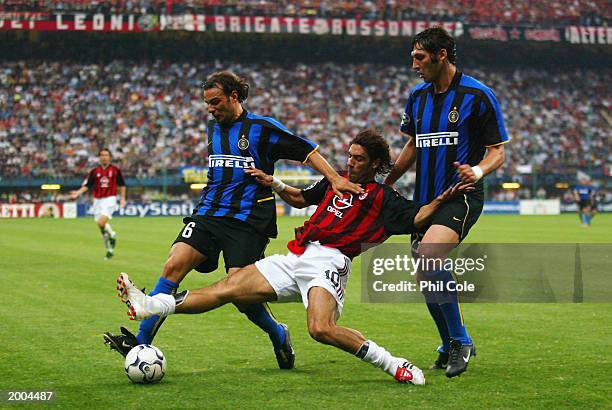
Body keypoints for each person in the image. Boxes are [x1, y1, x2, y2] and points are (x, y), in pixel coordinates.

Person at [114, 129, 473, 384]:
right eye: (348, 155)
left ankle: (395, 365)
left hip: (330, 263)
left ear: (376, 163)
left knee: (320, 329)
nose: (350, 162)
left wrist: (442, 201)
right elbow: (301, 199)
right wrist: (274, 183)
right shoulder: (336, 181)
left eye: (358, 158)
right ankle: (151, 305)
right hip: (297, 255)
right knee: (226, 288)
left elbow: (418, 217)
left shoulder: (384, 198)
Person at [103, 71, 362, 370]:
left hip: (248, 221)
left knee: (242, 296)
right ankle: (140, 342)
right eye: (206, 104)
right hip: (210, 213)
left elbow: (307, 150)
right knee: (173, 264)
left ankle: (278, 333)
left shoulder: (261, 129)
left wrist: (333, 178)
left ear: (235, 97)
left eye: (215, 102)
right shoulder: (212, 130)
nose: (210, 109)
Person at [383, 27, 509, 378]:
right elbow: (412, 145)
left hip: (461, 194)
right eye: (412, 58)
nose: (414, 65)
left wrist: (478, 171)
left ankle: (461, 339)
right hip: (425, 200)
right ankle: (447, 343)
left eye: (420, 58)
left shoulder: (478, 95)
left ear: (442, 56)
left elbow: (497, 152)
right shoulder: (418, 96)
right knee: (426, 273)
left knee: (430, 255)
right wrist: (388, 181)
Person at [69, 148, 126, 259]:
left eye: (106, 155)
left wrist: (123, 198)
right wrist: (77, 193)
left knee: (101, 222)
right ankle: (109, 249)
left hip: (110, 199)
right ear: (99, 157)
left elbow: (122, 185)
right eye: (102, 155)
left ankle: (112, 234)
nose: (104, 157)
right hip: (97, 201)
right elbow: (87, 185)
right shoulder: (94, 171)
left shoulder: (115, 170)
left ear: (110, 157)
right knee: (101, 228)